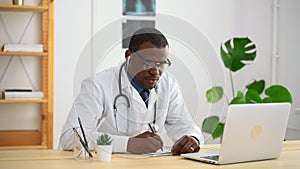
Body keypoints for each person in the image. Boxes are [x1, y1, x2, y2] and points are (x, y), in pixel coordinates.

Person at [59, 27, 204, 155]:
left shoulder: (168, 84)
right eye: (148, 63)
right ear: (129, 56)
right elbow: (70, 137)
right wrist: (128, 144)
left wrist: (192, 138)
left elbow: (183, 125)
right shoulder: (98, 85)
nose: (156, 71)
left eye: (161, 64)